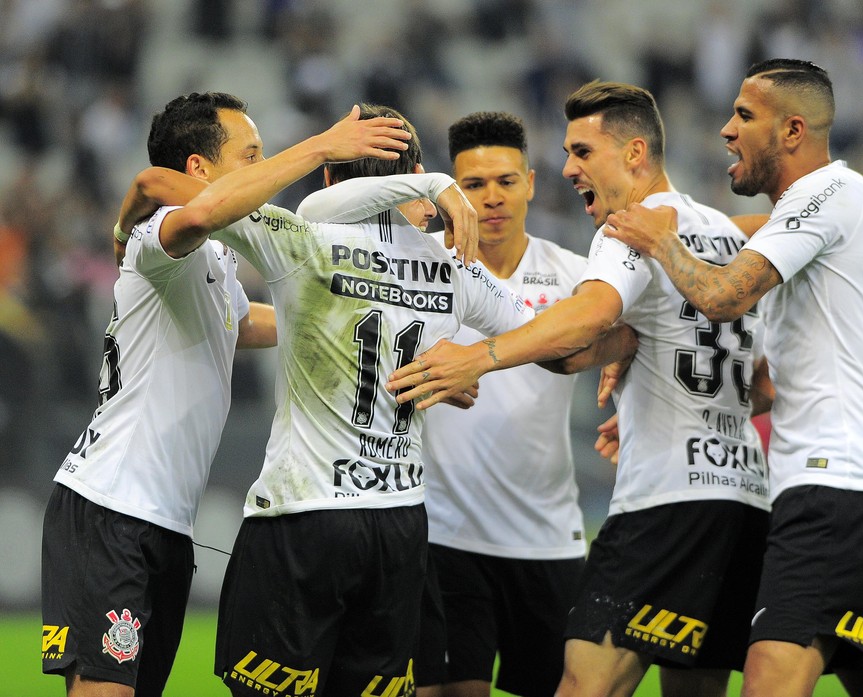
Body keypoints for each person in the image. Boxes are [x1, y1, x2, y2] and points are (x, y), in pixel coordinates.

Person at [121, 102, 534, 697]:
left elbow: (172, 188)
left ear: (330, 176)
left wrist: (120, 234)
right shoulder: (457, 269)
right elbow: (545, 336)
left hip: (304, 514)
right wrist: (477, 359)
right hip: (400, 521)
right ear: (415, 175)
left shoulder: (303, 237)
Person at [387, 80, 771, 697]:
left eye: (583, 152)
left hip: (665, 500)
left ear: (635, 153)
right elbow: (762, 383)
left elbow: (589, 316)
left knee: (583, 685)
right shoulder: (726, 235)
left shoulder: (628, 230)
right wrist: (644, 358)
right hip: (743, 494)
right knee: (697, 688)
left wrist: (479, 358)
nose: (569, 169)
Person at [40, 92, 413, 697]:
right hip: (111, 504)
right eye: (251, 154)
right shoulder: (160, 235)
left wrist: (347, 318)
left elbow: (244, 324)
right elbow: (164, 195)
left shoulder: (213, 255)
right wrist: (322, 147)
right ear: (199, 168)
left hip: (165, 522)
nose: (262, 165)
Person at [599, 59, 863, 696]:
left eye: (745, 115)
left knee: (767, 682)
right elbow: (772, 384)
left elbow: (723, 296)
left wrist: (661, 240)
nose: (726, 130)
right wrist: (671, 399)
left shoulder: (827, 193)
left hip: (832, 483)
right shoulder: (830, 209)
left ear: (793, 130)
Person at [411, 111, 591, 697]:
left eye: (506, 181)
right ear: (451, 191)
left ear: (531, 183)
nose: (492, 198)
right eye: (474, 184)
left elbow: (626, 337)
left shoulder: (574, 277)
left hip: (547, 536)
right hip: (446, 533)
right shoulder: (419, 268)